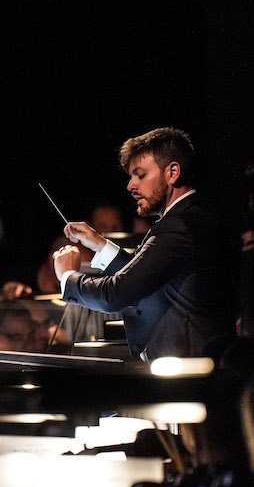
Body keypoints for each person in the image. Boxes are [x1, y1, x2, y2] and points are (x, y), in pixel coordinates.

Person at [53, 127, 236, 360]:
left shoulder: (179, 227)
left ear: (172, 172)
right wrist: (100, 245)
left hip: (186, 371)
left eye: (140, 175)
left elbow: (115, 294)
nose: (131, 186)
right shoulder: (192, 216)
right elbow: (146, 277)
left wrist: (67, 276)